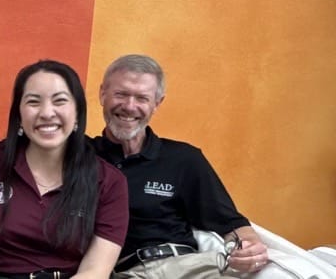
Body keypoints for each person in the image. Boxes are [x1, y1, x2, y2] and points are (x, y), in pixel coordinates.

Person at [92, 54, 268, 278]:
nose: (129, 106)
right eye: (121, 94)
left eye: (142, 98)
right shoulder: (83, 157)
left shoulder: (184, 159)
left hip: (192, 266)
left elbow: (230, 223)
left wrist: (250, 248)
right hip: (129, 271)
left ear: (157, 103)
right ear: (102, 94)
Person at [0, 60, 129, 279]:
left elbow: (95, 271)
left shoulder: (108, 181)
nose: (47, 113)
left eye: (60, 101)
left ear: (77, 113)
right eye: (33, 102)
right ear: (18, 115)